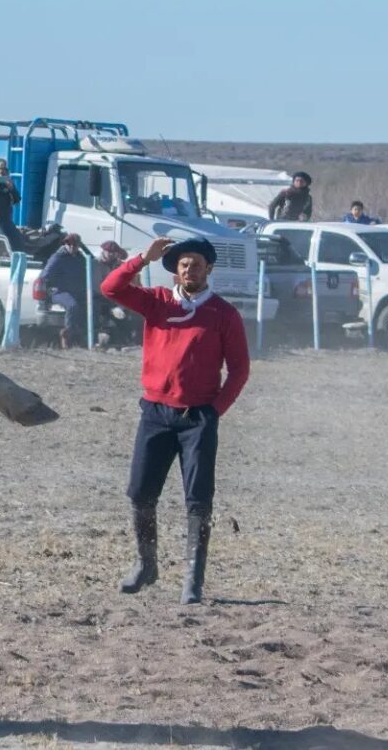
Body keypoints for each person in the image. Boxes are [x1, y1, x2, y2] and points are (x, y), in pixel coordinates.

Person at [100, 236, 251, 604]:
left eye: (196, 264)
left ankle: (192, 581)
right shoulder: (157, 302)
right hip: (155, 413)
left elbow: (240, 369)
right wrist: (142, 258)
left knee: (198, 500)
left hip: (198, 418)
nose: (189, 269)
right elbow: (110, 288)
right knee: (140, 492)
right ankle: (146, 563)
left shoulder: (224, 314)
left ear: (209, 269)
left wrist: (214, 411)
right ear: (175, 270)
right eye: (183, 264)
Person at [41, 234, 89, 349]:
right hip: (59, 292)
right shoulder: (58, 257)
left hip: (77, 291)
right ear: (65, 244)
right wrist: (50, 288)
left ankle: (85, 337)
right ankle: (67, 335)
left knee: (91, 305)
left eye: (75, 245)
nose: (72, 247)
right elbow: (45, 276)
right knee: (72, 306)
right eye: (69, 244)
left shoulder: (81, 258)